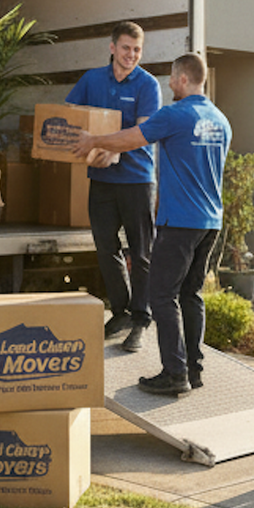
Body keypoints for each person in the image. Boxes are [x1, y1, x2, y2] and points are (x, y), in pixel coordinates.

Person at [73, 52, 230, 396]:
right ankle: (193, 369)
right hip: (210, 221)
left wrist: (94, 141)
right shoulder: (220, 120)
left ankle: (174, 373)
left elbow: (131, 138)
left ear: (183, 79)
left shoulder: (174, 115)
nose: (170, 84)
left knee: (162, 296)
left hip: (180, 221)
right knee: (191, 294)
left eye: (172, 79)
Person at [66, 21, 161, 353]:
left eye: (137, 50)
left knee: (141, 253)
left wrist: (110, 148)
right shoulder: (92, 79)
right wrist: (88, 150)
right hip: (102, 181)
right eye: (125, 48)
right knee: (106, 249)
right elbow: (70, 115)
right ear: (112, 48)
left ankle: (141, 320)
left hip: (137, 181)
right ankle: (120, 312)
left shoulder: (148, 85)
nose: (131, 55)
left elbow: (143, 133)